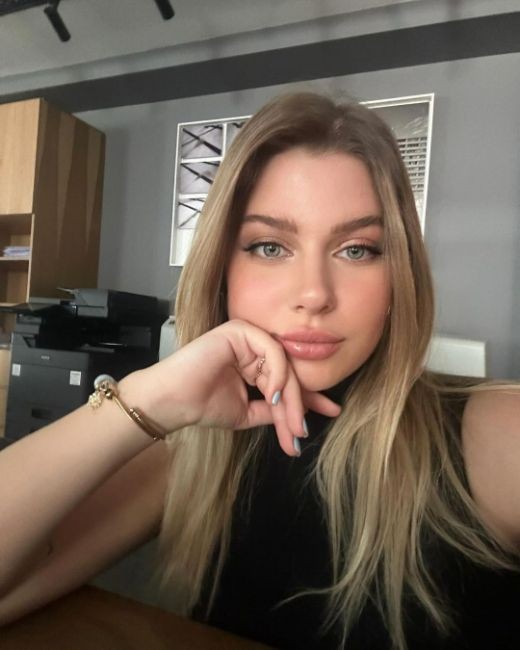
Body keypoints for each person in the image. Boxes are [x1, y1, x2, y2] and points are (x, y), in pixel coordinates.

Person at [0, 92, 519, 650]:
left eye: (357, 250)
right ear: (222, 270)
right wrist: (145, 400)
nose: (314, 294)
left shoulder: (496, 434)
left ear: (400, 277)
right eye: (270, 247)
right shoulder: (193, 451)